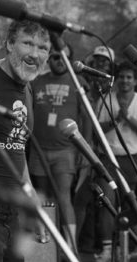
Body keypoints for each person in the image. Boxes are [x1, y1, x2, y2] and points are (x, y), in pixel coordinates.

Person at [0, 19, 50, 262]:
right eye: (27, 43)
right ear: (9, 44)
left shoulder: (27, 90)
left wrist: (31, 202)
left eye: (43, 48)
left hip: (13, 211)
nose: (35, 54)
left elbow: (17, 149)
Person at [29, 43, 91, 248]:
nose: (59, 61)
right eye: (55, 57)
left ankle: (70, 247)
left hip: (66, 150)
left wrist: (86, 146)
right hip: (38, 149)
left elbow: (87, 117)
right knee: (44, 198)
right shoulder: (36, 81)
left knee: (64, 196)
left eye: (64, 57)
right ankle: (47, 248)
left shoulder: (78, 82)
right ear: (48, 58)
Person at [94, 60, 137, 262]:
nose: (125, 81)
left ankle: (132, 247)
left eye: (129, 77)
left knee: (129, 202)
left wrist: (127, 117)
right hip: (108, 157)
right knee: (108, 202)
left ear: (136, 81)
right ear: (115, 79)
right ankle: (107, 249)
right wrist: (115, 120)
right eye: (121, 76)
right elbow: (96, 130)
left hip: (132, 158)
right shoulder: (105, 99)